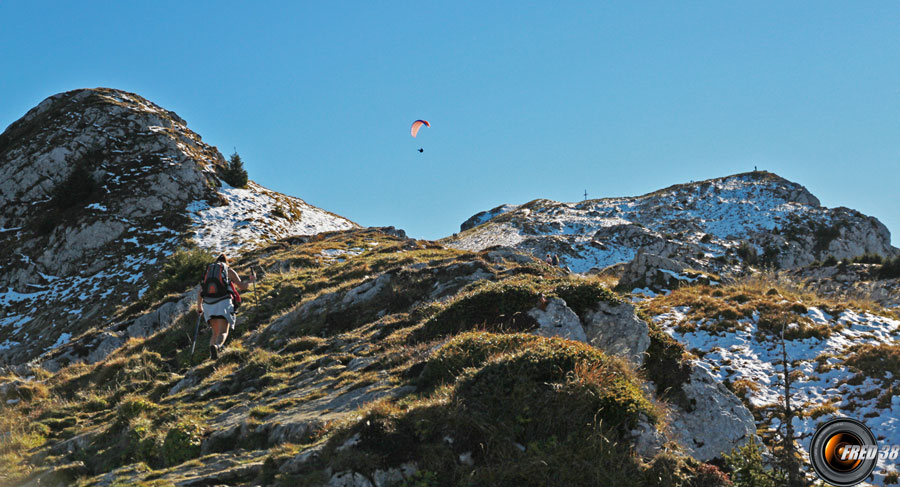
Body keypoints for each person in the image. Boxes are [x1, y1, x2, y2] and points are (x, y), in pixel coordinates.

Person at [196, 254, 254, 360]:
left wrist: (199, 306)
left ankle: (212, 355)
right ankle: (217, 347)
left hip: (208, 304)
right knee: (223, 331)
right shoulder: (228, 270)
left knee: (215, 332)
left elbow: (201, 291)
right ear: (226, 262)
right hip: (223, 302)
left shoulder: (208, 272)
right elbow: (242, 286)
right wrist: (251, 281)